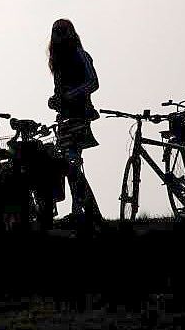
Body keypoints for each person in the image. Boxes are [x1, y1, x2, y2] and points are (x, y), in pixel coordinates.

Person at [47, 18, 102, 227]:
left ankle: (85, 211)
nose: (59, 35)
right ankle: (82, 211)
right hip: (64, 118)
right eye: (56, 31)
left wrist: (71, 95)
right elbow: (60, 91)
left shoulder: (80, 55)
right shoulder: (58, 61)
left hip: (79, 116)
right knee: (69, 165)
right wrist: (55, 100)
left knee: (71, 163)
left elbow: (93, 82)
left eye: (62, 31)